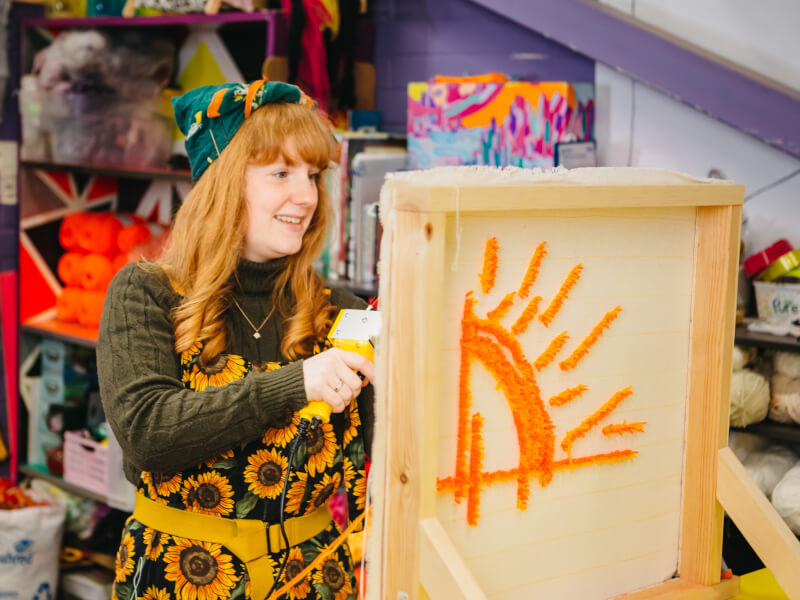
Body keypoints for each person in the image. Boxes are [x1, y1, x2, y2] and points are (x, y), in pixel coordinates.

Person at [97, 79, 374, 600]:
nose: (307, 196)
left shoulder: (345, 316)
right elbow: (148, 432)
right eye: (281, 174)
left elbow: (387, 465)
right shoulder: (146, 294)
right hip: (176, 581)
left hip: (314, 584)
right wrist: (296, 384)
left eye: (313, 175)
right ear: (223, 183)